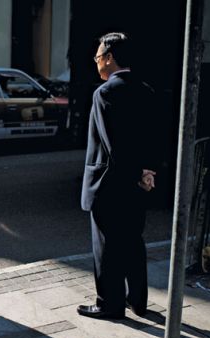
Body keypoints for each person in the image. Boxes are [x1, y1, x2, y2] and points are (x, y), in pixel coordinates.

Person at [78, 32, 157, 319]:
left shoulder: (105, 93)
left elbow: (113, 143)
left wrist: (136, 172)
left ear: (109, 58)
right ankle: (138, 301)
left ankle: (109, 304)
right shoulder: (146, 90)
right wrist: (146, 172)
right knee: (133, 241)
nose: (97, 62)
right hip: (138, 182)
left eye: (98, 57)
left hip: (109, 183)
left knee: (107, 247)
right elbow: (152, 138)